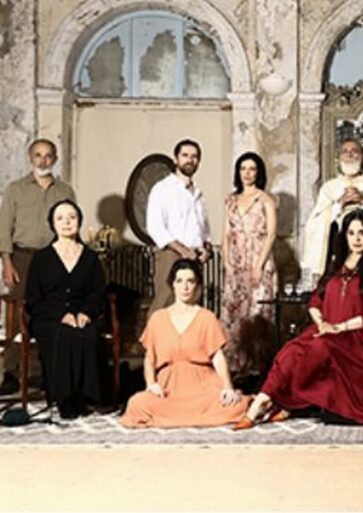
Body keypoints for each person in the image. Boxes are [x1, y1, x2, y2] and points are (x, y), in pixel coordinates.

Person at [235, 209, 363, 429]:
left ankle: (281, 404)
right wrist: (322, 323)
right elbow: (315, 300)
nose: (356, 239)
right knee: (291, 351)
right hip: (325, 330)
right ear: (344, 236)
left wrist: (339, 328)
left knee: (319, 348)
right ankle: (262, 403)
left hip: (355, 338)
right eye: (351, 233)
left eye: (362, 233)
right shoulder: (337, 265)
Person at [121, 259, 248, 428]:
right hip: (169, 387)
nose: (185, 287)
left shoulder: (206, 317)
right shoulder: (158, 318)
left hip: (202, 385)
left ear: (197, 285)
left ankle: (183, 415)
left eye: (190, 281)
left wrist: (227, 387)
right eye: (179, 281)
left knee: (237, 405)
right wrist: (151, 385)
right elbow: (149, 359)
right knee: (137, 404)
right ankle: (188, 415)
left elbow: (217, 357)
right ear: (172, 284)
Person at [0, 139, 76, 394]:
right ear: (30, 157)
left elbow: (72, 226)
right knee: (19, 315)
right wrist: (7, 263)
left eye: (48, 155)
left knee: (51, 312)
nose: (43, 160)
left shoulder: (65, 191)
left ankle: (43, 372)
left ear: (55, 159)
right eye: (38, 155)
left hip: (54, 258)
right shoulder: (16, 189)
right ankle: (11, 373)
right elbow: (4, 227)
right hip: (22, 257)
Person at [25, 200, 103, 419]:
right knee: (65, 334)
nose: (66, 222)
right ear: (52, 224)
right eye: (60, 218)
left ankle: (85, 396)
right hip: (48, 317)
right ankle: (64, 398)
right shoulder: (41, 258)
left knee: (88, 334)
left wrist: (85, 313)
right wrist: (61, 315)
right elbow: (34, 298)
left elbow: (97, 293)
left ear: (79, 222)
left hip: (81, 315)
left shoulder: (90, 258)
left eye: (72, 217)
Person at [301, 138, 363, 280]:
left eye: (354, 151)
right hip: (337, 250)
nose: (350, 154)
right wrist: (339, 205)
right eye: (345, 151)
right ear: (339, 158)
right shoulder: (329, 188)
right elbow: (314, 223)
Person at [221, 151, 278, 379]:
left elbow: (271, 234)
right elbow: (226, 234)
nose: (247, 173)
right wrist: (226, 261)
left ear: (258, 172)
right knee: (235, 312)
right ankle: (235, 366)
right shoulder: (231, 200)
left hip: (258, 258)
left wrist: (259, 264)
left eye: (252, 169)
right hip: (237, 260)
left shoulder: (266, 199)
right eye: (243, 169)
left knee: (258, 313)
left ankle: (259, 368)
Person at [145, 139, 212, 316]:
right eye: (185, 155)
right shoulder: (162, 189)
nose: (190, 160)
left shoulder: (198, 194)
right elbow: (155, 227)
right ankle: (151, 336)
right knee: (164, 305)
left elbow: (204, 229)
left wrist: (206, 249)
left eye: (194, 157)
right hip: (171, 255)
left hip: (195, 258)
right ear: (176, 159)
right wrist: (182, 250)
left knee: (192, 309)